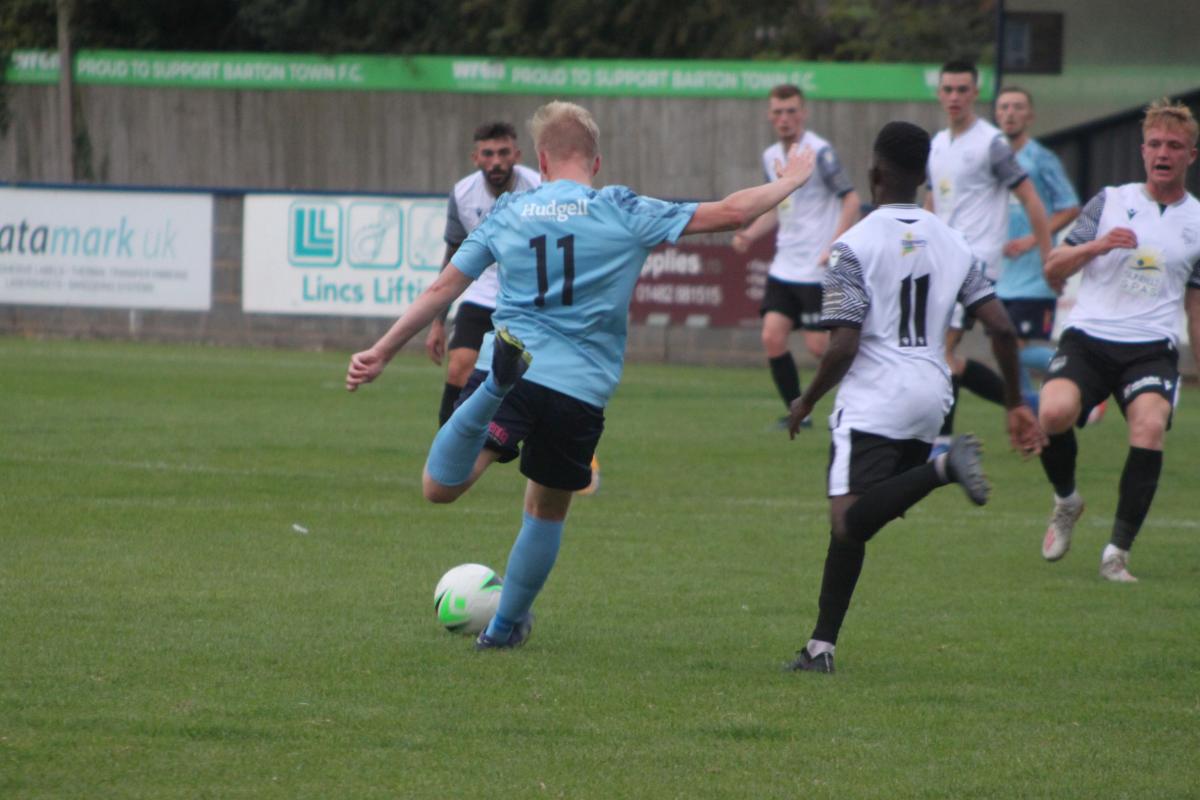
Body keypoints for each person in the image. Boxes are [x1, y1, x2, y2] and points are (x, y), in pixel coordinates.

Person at [347, 101, 818, 649]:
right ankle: (502, 631)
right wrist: (790, 181)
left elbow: (442, 289)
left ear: (541, 161)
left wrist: (382, 350)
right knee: (546, 510)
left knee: (439, 487)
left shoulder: (510, 210)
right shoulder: (622, 208)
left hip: (515, 364)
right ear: (596, 163)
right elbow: (733, 213)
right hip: (579, 389)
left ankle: (495, 386)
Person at [784, 121, 1044, 674]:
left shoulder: (851, 246)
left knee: (848, 522)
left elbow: (843, 345)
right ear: (924, 174)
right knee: (861, 514)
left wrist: (805, 401)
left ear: (874, 173)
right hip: (931, 398)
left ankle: (944, 468)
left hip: (874, 399)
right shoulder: (955, 243)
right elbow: (1000, 327)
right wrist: (1016, 402)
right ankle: (820, 648)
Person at [1036, 98, 1200, 583]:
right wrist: (1098, 244)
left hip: (1151, 348)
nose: (1163, 153)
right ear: (1142, 150)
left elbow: (1196, 306)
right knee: (1052, 413)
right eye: (1155, 144)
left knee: (1149, 426)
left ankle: (1116, 554)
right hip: (1088, 338)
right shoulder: (1108, 201)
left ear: (1191, 155)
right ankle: (1067, 500)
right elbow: (1053, 268)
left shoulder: (1198, 221)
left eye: (1174, 146)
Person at [926, 60, 1052, 452]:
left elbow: (1030, 198)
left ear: (975, 93)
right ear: (939, 93)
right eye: (948, 89)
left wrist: (1048, 256)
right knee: (946, 355)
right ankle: (1027, 404)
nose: (955, 97)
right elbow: (932, 202)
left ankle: (940, 443)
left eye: (962, 89)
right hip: (943, 261)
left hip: (975, 262)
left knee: (941, 351)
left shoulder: (991, 143)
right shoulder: (937, 144)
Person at [731, 84, 860, 427]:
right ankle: (797, 414)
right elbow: (777, 207)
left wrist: (834, 244)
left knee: (820, 347)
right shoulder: (771, 156)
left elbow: (850, 199)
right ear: (770, 115)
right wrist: (749, 233)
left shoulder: (820, 152)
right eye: (778, 112)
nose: (784, 118)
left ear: (803, 113)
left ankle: (866, 403)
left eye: (791, 111)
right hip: (784, 266)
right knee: (772, 337)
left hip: (817, 270)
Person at [425, 122, 541, 427]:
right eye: (488, 154)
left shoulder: (540, 188)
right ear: (475, 158)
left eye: (503, 152)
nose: (496, 161)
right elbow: (453, 255)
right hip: (482, 292)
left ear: (517, 154)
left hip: (528, 298)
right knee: (458, 368)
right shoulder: (463, 194)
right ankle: (448, 445)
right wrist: (437, 323)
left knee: (535, 383)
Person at [994, 86, 1081, 411]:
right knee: (1006, 348)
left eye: (1017, 107)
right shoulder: (992, 157)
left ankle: (1080, 370)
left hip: (1033, 274)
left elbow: (1070, 207)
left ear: (1029, 115)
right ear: (996, 114)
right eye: (1004, 107)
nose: (1010, 113)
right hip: (1000, 273)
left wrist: (1032, 241)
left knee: (1014, 350)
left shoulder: (1042, 159)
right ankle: (1030, 412)